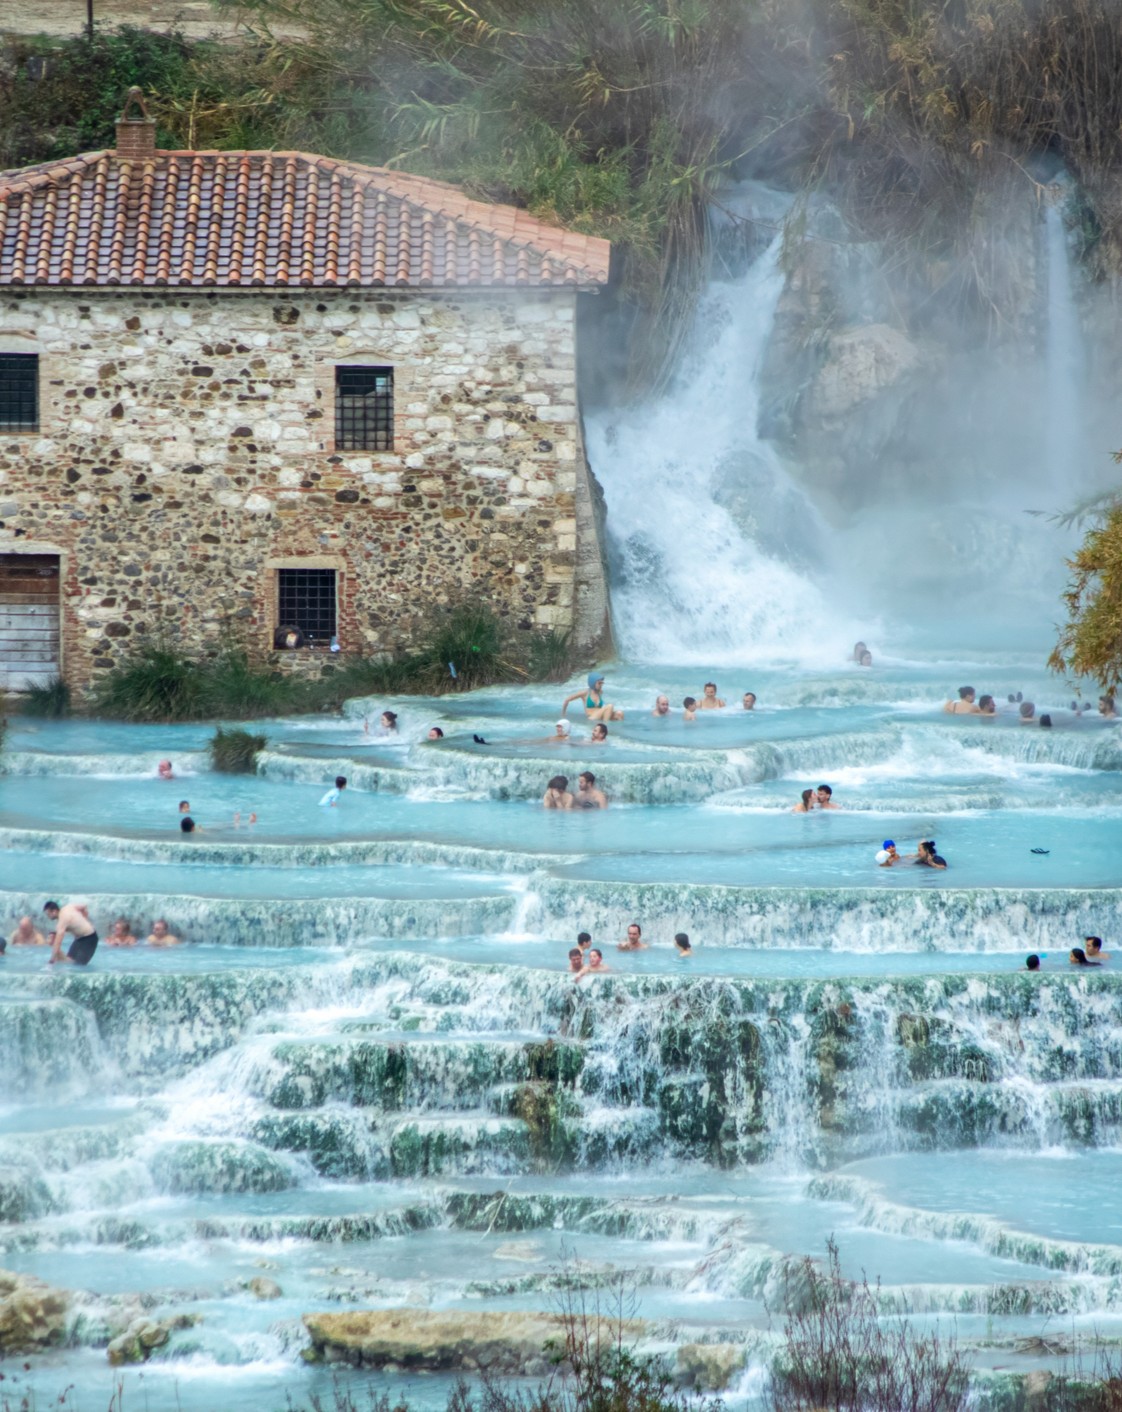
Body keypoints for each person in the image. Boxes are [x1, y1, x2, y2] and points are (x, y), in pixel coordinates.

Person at [43, 900, 98, 966]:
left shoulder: (62, 922)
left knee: (78, 965)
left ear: (54, 911)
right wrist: (85, 919)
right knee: (69, 961)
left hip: (90, 938)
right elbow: (83, 906)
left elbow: (58, 943)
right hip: (79, 939)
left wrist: (51, 960)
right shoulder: (69, 907)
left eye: (48, 914)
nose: (48, 917)